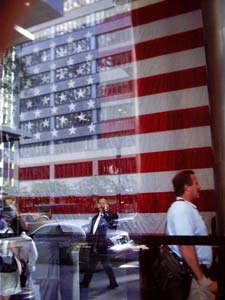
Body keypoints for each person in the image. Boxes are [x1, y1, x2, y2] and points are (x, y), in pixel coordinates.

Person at [160, 170, 217, 300]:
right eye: (196, 183)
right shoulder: (181, 209)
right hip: (193, 276)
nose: (199, 187)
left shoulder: (186, 207)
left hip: (194, 274)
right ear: (186, 187)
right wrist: (201, 279)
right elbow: (185, 245)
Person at [80, 198, 119, 289]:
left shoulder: (112, 216)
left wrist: (105, 212)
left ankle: (113, 282)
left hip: (102, 244)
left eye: (103, 203)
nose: (101, 205)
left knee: (106, 265)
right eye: (100, 203)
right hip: (94, 244)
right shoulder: (95, 218)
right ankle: (86, 282)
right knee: (91, 265)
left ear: (107, 205)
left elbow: (112, 227)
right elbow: (92, 231)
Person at [0, 217, 21, 300]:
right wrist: (18, 259)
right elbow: (14, 248)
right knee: (6, 295)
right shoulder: (8, 231)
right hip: (7, 267)